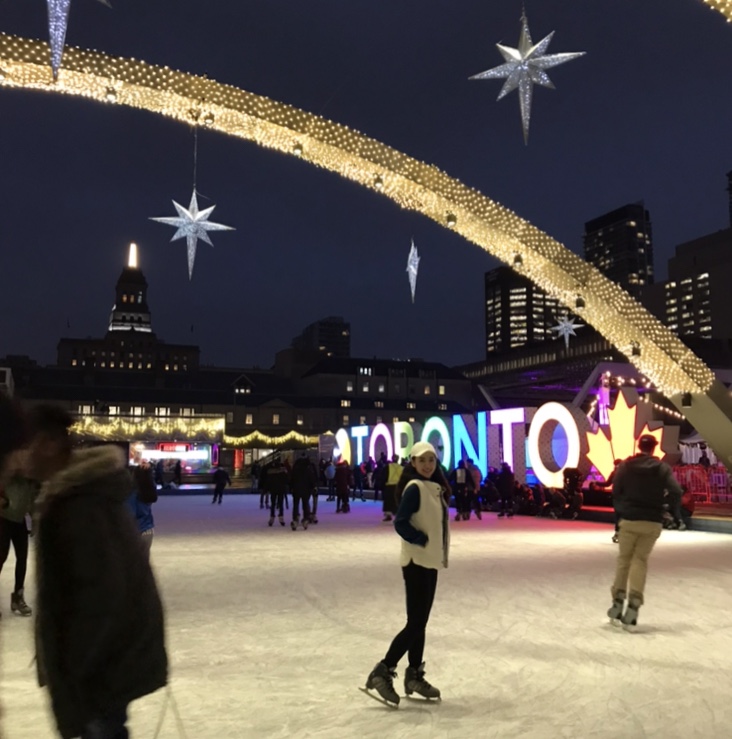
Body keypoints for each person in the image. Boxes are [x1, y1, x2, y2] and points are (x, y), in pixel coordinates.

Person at [27, 404, 167, 739]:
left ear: (47, 442)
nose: (20, 456)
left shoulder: (81, 504)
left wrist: (76, 675)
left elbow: (104, 596)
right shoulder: (66, 495)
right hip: (97, 670)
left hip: (99, 673)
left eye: (24, 444)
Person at [364, 441, 450, 707]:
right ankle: (384, 668)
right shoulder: (415, 488)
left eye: (431, 460)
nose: (427, 465)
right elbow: (400, 522)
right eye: (422, 460)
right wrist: (420, 539)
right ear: (412, 462)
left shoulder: (431, 488)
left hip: (430, 561)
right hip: (416, 562)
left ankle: (413, 674)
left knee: (419, 622)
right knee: (415, 623)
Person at [607, 434, 683, 630]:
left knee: (624, 560)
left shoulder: (625, 466)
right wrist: (668, 509)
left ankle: (617, 602)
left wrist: (623, 508)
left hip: (630, 519)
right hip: (652, 521)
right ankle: (633, 605)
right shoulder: (662, 468)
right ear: (654, 448)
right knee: (640, 560)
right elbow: (676, 491)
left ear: (639, 446)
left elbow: (616, 491)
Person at [0, 449, 40, 617]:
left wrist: (35, 521)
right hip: (3, 519)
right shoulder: (9, 476)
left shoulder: (31, 483)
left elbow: (31, 503)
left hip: (19, 522)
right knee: (0, 558)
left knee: (22, 558)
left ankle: (18, 596)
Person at [128, 462, 158, 558]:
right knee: (143, 562)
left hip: (135, 532)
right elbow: (150, 481)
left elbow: (130, 514)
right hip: (148, 530)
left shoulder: (132, 493)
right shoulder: (149, 490)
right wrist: (147, 471)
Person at [289, 453, 316, 530]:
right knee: (305, 504)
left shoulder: (296, 467)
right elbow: (312, 479)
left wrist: (291, 487)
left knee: (296, 505)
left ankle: (295, 518)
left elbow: (292, 478)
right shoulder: (308, 468)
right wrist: (313, 487)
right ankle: (305, 518)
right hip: (306, 490)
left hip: (296, 489)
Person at [264, 457, 289, 526]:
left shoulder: (270, 472)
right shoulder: (283, 472)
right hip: (281, 490)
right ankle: (281, 517)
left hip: (273, 490)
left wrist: (267, 489)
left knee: (273, 504)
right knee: (280, 504)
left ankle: (272, 517)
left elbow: (268, 481)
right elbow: (286, 480)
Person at [383, 455, 402, 522]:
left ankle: (388, 516)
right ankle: (397, 515)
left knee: (388, 501)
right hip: (397, 486)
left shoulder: (388, 466)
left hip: (389, 486)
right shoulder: (401, 468)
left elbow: (384, 476)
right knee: (396, 501)